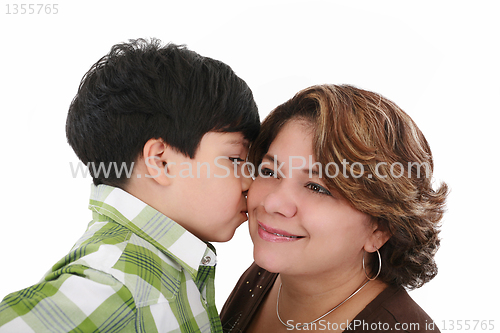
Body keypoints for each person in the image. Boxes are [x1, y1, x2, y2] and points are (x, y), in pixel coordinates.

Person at [0, 38, 259, 333]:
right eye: (236, 159)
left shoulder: (156, 272)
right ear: (160, 161)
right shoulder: (116, 286)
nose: (250, 181)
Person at [221, 84, 447, 332]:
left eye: (316, 188)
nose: (272, 203)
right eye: (269, 171)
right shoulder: (265, 277)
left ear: (380, 230)